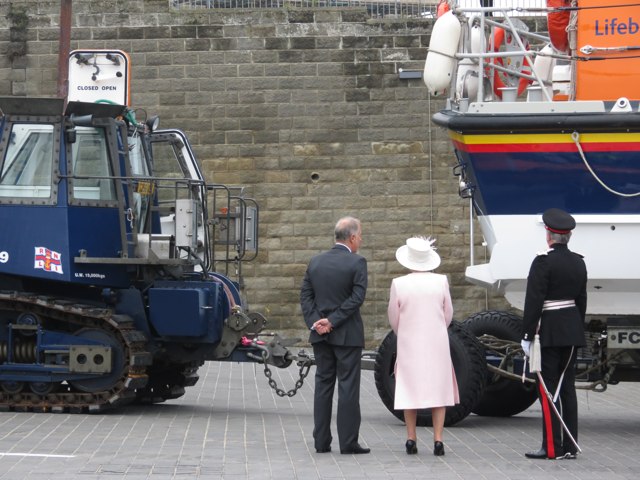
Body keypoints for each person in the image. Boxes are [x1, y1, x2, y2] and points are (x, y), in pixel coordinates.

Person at [521, 208, 587, 460]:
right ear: (567, 236)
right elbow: (581, 301)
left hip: (549, 332)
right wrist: (575, 329)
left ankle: (552, 448)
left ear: (549, 235)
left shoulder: (543, 261)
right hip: (571, 332)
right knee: (567, 389)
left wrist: (526, 335)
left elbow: (534, 301)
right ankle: (570, 445)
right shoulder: (579, 261)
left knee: (547, 389)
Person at [300, 216, 370, 455]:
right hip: (347, 336)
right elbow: (356, 299)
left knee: (323, 386)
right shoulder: (357, 262)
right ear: (351, 237)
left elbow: (306, 297)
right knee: (348, 388)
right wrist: (333, 321)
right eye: (360, 236)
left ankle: (321, 442)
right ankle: (348, 443)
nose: (360, 240)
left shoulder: (315, 262)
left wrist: (317, 323)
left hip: (320, 336)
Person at [387, 236, 459, 456]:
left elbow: (393, 317)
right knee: (438, 388)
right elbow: (448, 314)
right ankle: (438, 440)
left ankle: (411, 437)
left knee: (410, 388)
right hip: (436, 340)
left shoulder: (399, 284)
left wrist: (406, 331)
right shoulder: (441, 281)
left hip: (410, 340)